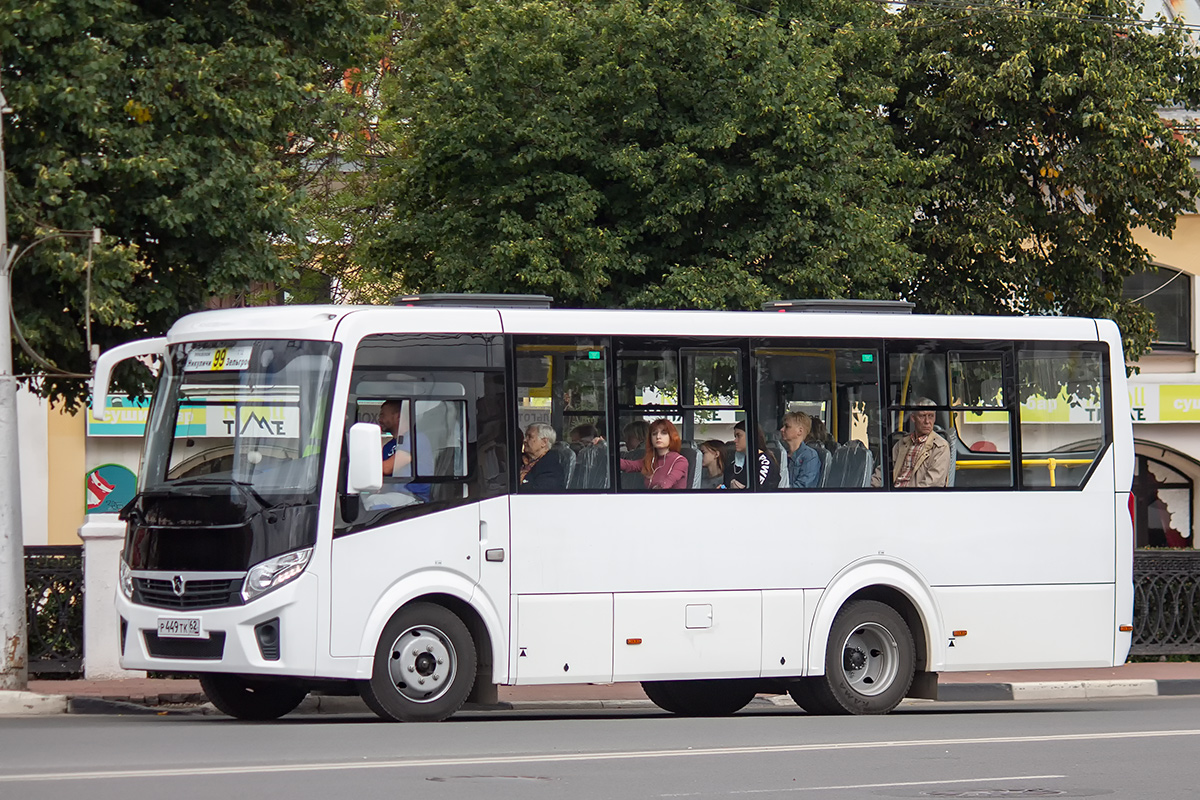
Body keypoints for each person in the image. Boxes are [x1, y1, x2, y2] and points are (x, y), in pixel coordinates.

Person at [378, 399, 433, 502]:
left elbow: (387, 468)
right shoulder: (388, 447)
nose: (379, 419)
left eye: (382, 415)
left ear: (398, 416)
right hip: (396, 495)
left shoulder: (416, 438)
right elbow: (386, 479)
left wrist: (362, 470)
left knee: (372, 503)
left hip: (415, 498)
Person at [889, 398, 950, 488]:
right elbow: (883, 472)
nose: (927, 421)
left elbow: (932, 484)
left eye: (931, 416)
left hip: (915, 498)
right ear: (913, 418)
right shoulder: (902, 442)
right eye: (922, 416)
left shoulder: (940, 447)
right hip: (892, 494)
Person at [618, 418, 689, 490]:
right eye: (654, 434)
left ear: (671, 437)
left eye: (664, 433)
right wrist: (608, 457)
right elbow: (628, 465)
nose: (658, 437)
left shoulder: (680, 461)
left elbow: (669, 481)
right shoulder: (651, 460)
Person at [724, 421, 780, 490]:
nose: (735, 440)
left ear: (751, 436)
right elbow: (726, 482)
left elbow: (760, 488)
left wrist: (742, 490)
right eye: (735, 436)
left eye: (739, 436)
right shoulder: (735, 463)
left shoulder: (764, 461)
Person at [779, 411, 820, 489]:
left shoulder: (810, 456)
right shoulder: (782, 453)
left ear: (800, 431)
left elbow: (803, 487)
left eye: (787, 426)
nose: (782, 429)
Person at [520, 422, 564, 491]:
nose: (525, 440)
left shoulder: (551, 469)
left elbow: (535, 494)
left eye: (530, 437)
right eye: (526, 436)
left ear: (544, 442)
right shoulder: (521, 461)